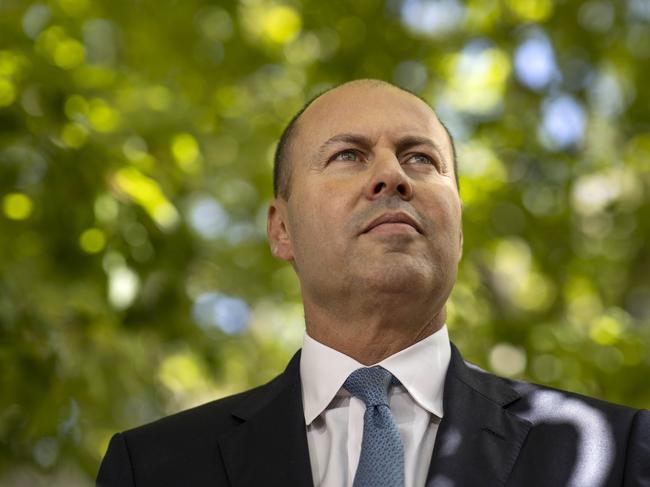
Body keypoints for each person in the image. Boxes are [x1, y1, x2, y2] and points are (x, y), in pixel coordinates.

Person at [97, 79, 649, 487]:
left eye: (420, 158)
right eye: (348, 155)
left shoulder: (616, 454)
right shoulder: (153, 468)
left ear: (459, 232)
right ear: (281, 229)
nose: (393, 176)